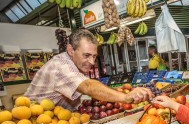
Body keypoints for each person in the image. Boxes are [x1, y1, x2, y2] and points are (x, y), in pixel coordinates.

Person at [25, 29, 153, 110]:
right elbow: (87, 86)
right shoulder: (60, 66)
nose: (92, 62)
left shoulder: (74, 64)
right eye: (86, 55)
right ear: (71, 50)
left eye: (94, 56)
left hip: (56, 120)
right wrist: (125, 97)